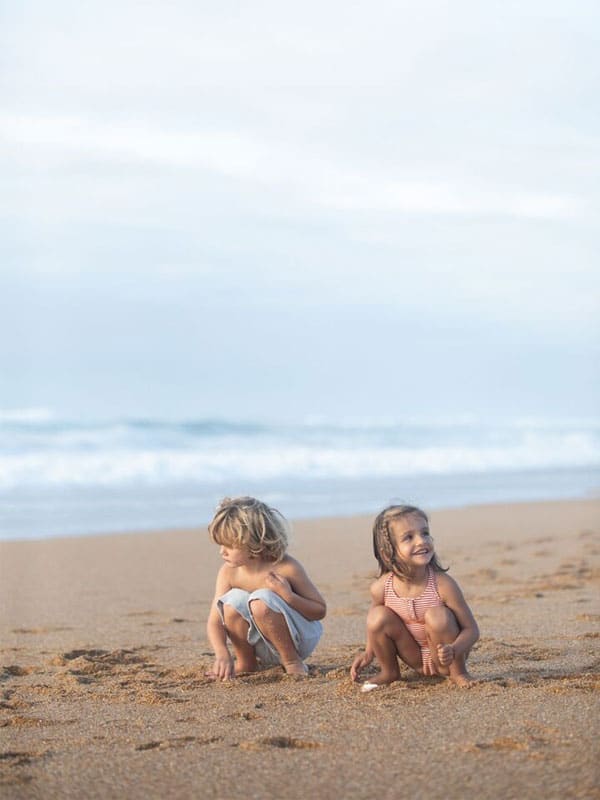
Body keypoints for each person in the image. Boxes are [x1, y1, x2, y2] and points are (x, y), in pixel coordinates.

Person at [351, 504, 479, 691]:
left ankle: (459, 673)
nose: (421, 541)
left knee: (437, 616)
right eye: (408, 537)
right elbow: (374, 627)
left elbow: (472, 630)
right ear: (388, 553)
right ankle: (390, 672)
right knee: (377, 615)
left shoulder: (443, 584)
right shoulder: (382, 588)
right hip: (414, 658)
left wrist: (454, 650)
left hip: (445, 659)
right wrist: (368, 652)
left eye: (425, 533)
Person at [206, 496, 326, 679]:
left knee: (261, 600)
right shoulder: (228, 572)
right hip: (261, 641)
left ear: (254, 542)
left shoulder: (285, 567)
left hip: (298, 638)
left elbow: (319, 611)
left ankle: (291, 662)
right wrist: (222, 654)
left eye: (229, 545)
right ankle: (246, 662)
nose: (222, 551)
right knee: (230, 603)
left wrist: (288, 596)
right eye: (221, 544)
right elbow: (215, 620)